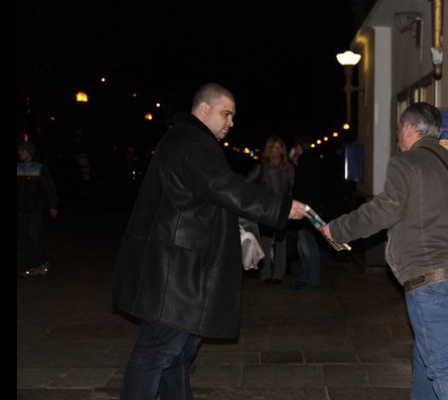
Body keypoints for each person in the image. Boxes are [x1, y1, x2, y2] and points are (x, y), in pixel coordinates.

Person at [111, 83, 307, 400]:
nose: (231, 122)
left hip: (182, 267)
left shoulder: (188, 139)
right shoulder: (192, 142)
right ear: (204, 109)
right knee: (157, 351)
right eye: (226, 114)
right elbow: (225, 187)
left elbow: (210, 195)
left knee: (180, 351)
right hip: (174, 271)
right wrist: (281, 207)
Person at [322, 102, 448, 400]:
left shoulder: (406, 163)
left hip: (431, 280)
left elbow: (382, 211)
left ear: (408, 128)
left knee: (446, 368)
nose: (397, 137)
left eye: (398, 130)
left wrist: (337, 230)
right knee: (426, 347)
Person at [245, 135, 295, 284]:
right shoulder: (262, 167)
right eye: (274, 147)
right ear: (269, 149)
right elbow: (246, 183)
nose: (277, 150)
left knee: (281, 243)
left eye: (280, 147)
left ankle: (278, 275)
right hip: (267, 209)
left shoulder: (288, 167)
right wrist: (257, 199)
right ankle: (265, 274)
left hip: (283, 208)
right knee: (266, 243)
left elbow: (293, 188)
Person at [17, 141, 59, 277]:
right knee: (24, 237)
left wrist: (53, 204)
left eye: (22, 150)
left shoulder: (39, 168)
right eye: (19, 150)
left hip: (36, 207)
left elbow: (49, 186)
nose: (19, 152)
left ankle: (42, 262)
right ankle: (31, 266)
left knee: (32, 234)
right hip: (21, 209)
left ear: (29, 152)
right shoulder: (18, 167)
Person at [288, 134, 323, 290]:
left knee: (307, 246)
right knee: (306, 245)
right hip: (311, 209)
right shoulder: (312, 161)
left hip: (305, 211)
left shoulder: (305, 162)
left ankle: (311, 279)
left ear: (299, 147)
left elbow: (301, 188)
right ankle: (306, 278)